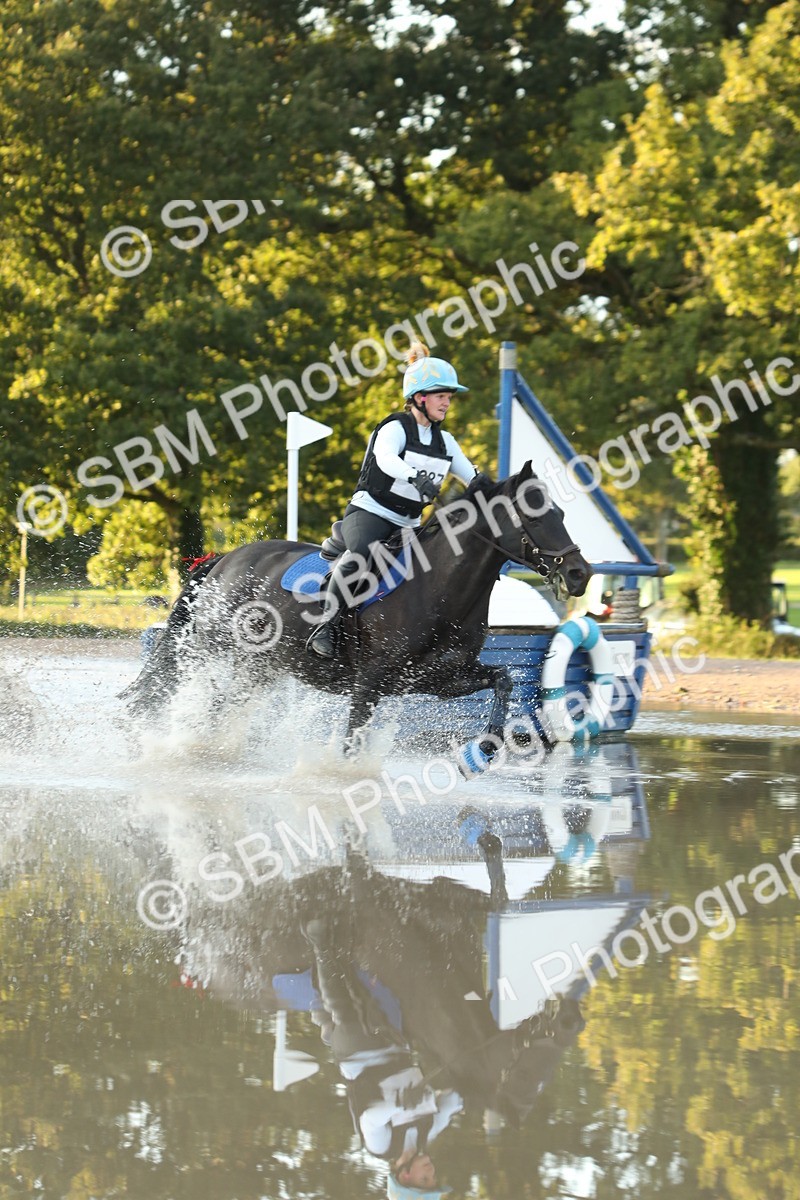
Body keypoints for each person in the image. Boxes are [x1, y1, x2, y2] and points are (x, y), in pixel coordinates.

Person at [306, 342, 480, 658]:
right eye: (441, 396)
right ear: (419, 397)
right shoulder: (394, 427)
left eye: (449, 397)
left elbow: (472, 476)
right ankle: (325, 626)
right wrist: (415, 476)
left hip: (409, 524)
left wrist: (496, 489)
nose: (447, 403)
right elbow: (385, 459)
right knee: (361, 555)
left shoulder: (446, 442)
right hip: (371, 512)